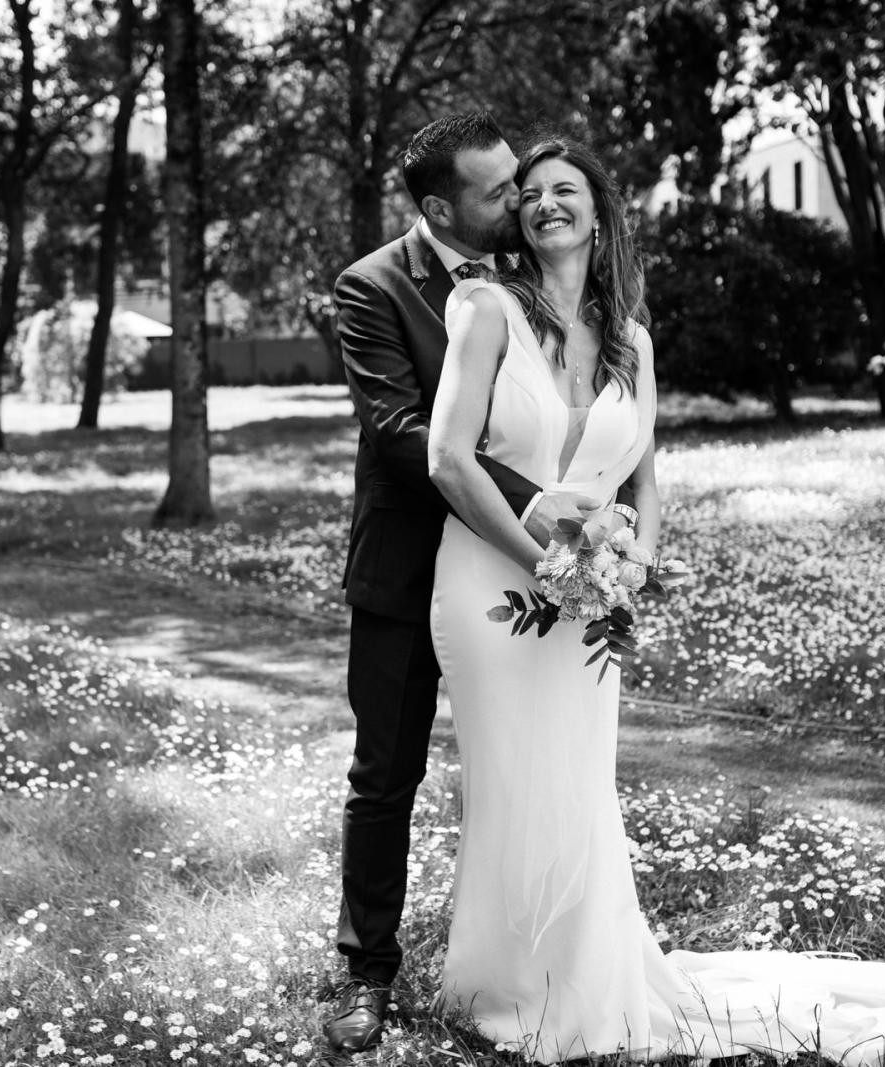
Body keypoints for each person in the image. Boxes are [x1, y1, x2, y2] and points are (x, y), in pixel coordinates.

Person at [423, 133, 885, 1063]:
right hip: (490, 590)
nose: (546, 203)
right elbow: (448, 459)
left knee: (579, 786)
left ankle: (588, 981)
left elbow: (646, 484)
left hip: (592, 605)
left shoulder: (633, 339)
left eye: (566, 189)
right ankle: (503, 985)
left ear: (599, 210)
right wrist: (547, 561)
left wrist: (634, 572)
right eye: (530, 192)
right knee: (511, 779)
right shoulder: (484, 307)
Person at [324, 112, 602, 1054]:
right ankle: (365, 971)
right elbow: (405, 434)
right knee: (386, 774)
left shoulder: (532, 277)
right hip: (410, 571)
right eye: (499, 190)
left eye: (521, 178)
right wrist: (552, 509)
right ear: (443, 206)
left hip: (513, 583)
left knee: (530, 766)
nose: (520, 197)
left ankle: (535, 965)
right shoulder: (370, 288)